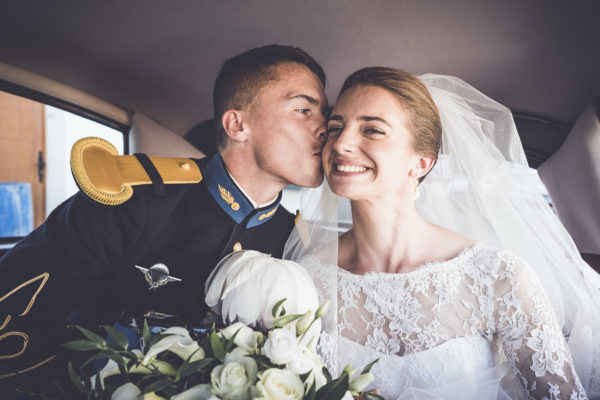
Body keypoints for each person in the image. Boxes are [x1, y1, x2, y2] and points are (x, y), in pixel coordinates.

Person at [0, 44, 328, 386]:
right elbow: (14, 316)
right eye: (304, 109)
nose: (325, 127)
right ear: (237, 125)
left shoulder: (293, 240)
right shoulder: (131, 202)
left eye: (324, 114)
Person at [284, 67, 600, 399]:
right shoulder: (305, 280)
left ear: (421, 163)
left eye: (373, 130)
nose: (342, 143)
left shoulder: (497, 276)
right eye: (336, 127)